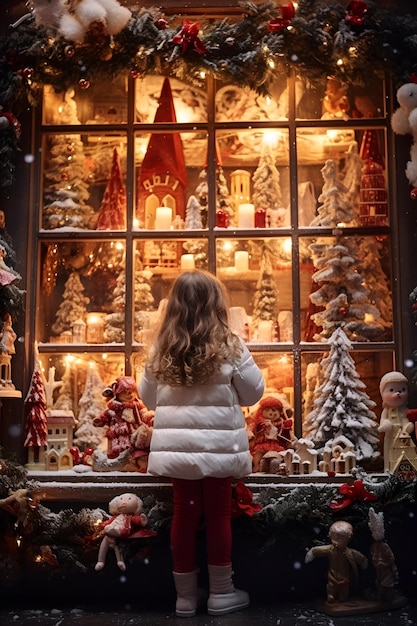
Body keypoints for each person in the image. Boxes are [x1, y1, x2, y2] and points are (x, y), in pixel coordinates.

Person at [139, 270, 265, 617]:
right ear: (216, 305)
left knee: (185, 513)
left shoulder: (161, 349)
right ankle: (221, 592)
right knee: (219, 513)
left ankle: (184, 597)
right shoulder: (230, 345)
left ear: (174, 308)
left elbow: (147, 399)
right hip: (219, 447)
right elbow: (254, 392)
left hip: (179, 451)